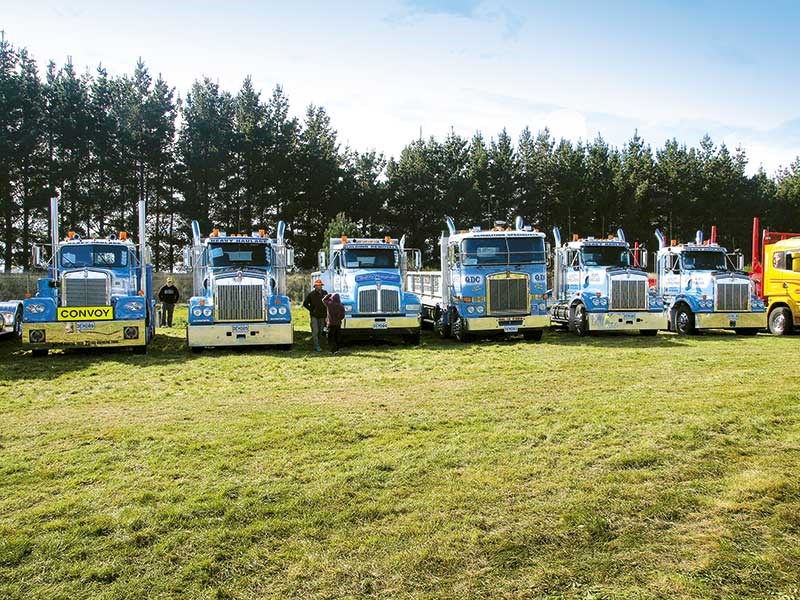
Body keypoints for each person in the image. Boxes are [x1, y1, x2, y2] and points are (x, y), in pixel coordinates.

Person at [303, 279, 328, 352]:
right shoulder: (311, 294)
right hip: (314, 316)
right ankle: (316, 346)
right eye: (317, 285)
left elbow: (328, 302)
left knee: (321, 331)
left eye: (320, 285)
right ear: (315, 286)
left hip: (323, 316)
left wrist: (327, 314)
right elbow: (305, 304)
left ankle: (321, 344)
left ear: (321, 286)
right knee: (315, 331)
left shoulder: (325, 293)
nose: (318, 286)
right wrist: (312, 310)